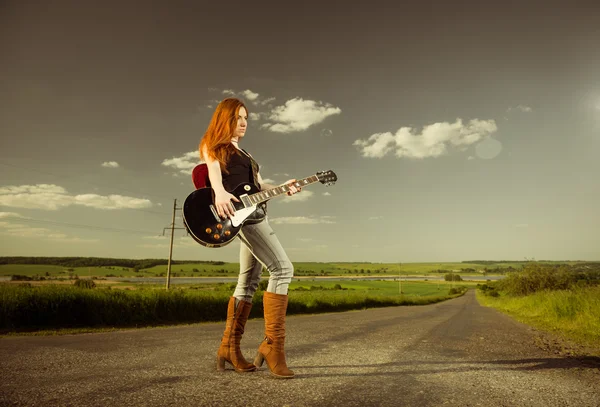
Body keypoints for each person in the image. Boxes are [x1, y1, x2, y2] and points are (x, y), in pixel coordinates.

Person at [199, 97, 301, 379]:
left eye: (246, 118)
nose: (243, 123)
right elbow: (212, 170)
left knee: (248, 282)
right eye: (237, 118)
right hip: (248, 220)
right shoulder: (215, 146)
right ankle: (273, 348)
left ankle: (228, 348)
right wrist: (219, 192)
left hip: (256, 214)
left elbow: (258, 187)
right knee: (282, 269)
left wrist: (284, 187)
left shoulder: (245, 155)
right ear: (225, 119)